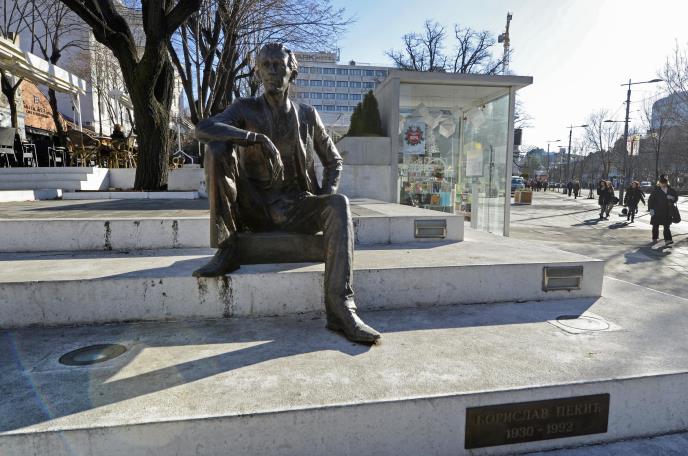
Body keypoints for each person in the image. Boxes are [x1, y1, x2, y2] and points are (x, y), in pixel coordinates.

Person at [192, 43, 380, 343]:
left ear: (292, 71)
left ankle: (340, 307)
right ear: (257, 72)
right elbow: (203, 128)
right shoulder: (244, 109)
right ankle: (227, 248)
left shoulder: (307, 115)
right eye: (265, 65)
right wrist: (255, 138)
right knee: (216, 149)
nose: (271, 71)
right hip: (252, 205)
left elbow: (334, 161)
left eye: (278, 65)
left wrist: (323, 195)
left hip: (294, 206)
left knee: (338, 204)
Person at [648, 175, 679, 244]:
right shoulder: (656, 190)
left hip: (667, 211)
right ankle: (655, 238)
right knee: (655, 225)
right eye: (661, 182)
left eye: (664, 182)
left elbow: (676, 198)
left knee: (667, 226)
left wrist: (672, 198)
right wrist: (651, 210)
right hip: (656, 211)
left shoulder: (671, 190)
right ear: (659, 182)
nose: (663, 184)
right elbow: (650, 201)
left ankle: (668, 240)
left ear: (667, 183)